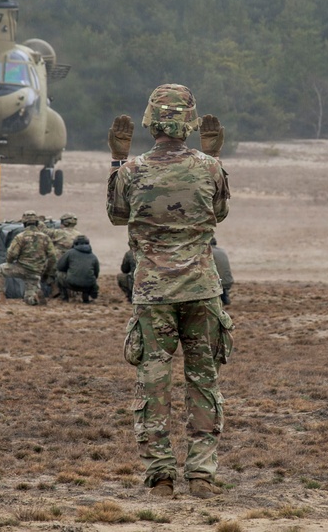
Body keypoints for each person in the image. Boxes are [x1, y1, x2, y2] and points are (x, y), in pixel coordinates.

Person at [106, 83, 233, 500]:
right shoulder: (208, 167)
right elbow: (219, 212)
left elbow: (116, 215)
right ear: (189, 123)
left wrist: (117, 162)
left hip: (153, 292)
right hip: (201, 288)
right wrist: (212, 158)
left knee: (153, 384)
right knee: (203, 381)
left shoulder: (132, 170)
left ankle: (160, 477)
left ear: (150, 121)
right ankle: (201, 476)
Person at [0, 211, 58, 305]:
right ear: (37, 223)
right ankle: (35, 297)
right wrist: (46, 272)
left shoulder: (20, 237)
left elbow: (12, 254)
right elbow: (53, 257)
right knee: (28, 298)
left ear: (24, 224)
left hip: (21, 268)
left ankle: (2, 298)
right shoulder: (45, 238)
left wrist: (10, 262)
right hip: (36, 271)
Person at [56, 235, 100, 302]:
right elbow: (96, 273)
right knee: (88, 278)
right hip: (88, 285)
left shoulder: (70, 252)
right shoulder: (93, 256)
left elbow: (60, 267)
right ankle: (86, 298)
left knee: (58, 274)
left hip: (71, 283)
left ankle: (64, 297)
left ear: (75, 243)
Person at [211, 238, 233, 305]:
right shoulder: (222, 251)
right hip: (228, 280)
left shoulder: (208, 252)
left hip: (218, 283)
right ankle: (225, 298)